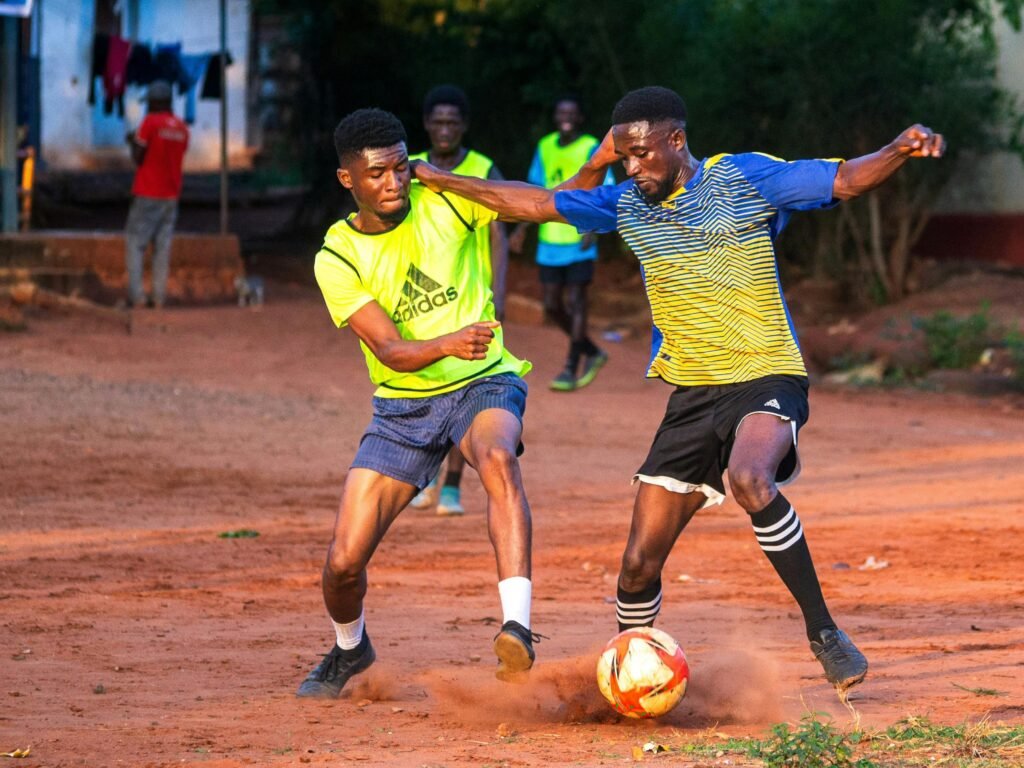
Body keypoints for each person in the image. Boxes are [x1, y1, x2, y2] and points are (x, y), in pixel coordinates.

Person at [411, 85, 945, 693]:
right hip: (691, 394)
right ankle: (627, 669)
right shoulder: (625, 204)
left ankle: (824, 632)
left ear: (676, 140)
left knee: (750, 478)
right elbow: (534, 204)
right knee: (638, 566)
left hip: (765, 373)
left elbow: (844, 179)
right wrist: (435, 178)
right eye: (624, 157)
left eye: (641, 154)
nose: (633, 167)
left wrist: (899, 148)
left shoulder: (740, 179)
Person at [297, 108, 538, 699]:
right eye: (378, 173)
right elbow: (391, 350)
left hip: (484, 381)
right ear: (347, 179)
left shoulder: (445, 200)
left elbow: (539, 204)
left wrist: (451, 180)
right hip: (402, 408)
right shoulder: (339, 255)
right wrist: (448, 342)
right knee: (342, 564)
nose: (394, 183)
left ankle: (518, 628)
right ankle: (350, 651)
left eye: (403, 168)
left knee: (498, 458)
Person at [407, 84, 509, 517]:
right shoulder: (408, 169)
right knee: (424, 393)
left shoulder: (484, 168)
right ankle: (426, 477)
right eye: (437, 121)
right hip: (419, 300)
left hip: (472, 304)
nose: (444, 129)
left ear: (463, 126)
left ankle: (450, 486)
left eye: (453, 122)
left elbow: (500, 238)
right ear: (427, 124)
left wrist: (499, 297)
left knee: (466, 396)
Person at [509, 96, 612, 391]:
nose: (566, 117)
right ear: (556, 117)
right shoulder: (545, 146)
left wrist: (593, 228)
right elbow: (537, 193)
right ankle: (592, 351)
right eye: (561, 112)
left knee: (577, 301)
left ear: (580, 118)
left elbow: (606, 189)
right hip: (550, 241)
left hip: (580, 239)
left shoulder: (592, 146)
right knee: (552, 305)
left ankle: (570, 366)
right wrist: (521, 229)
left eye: (572, 112)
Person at [124, 80, 189, 309]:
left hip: (147, 192)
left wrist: (132, 142)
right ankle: (159, 297)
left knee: (135, 243)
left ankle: (137, 297)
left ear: (154, 102)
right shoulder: (182, 128)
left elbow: (139, 157)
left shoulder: (149, 123)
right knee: (162, 248)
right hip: (171, 195)